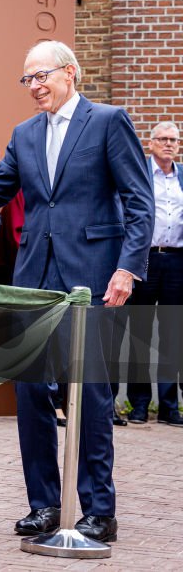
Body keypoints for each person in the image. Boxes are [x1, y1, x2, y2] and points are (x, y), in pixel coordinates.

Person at [0, 40, 154, 543]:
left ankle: (99, 509)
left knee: (92, 393)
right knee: (32, 391)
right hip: (34, 281)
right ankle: (44, 504)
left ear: (70, 73)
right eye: (27, 79)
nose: (34, 86)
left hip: (93, 280)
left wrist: (128, 268)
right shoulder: (24, 134)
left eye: (41, 76)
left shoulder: (107, 121)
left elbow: (138, 200)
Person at [122, 122, 183, 427]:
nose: (168, 144)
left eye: (173, 139)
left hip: (176, 260)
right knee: (140, 334)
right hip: (144, 260)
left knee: (173, 336)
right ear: (151, 143)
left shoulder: (181, 176)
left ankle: (170, 406)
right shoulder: (141, 173)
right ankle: (139, 404)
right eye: (163, 139)